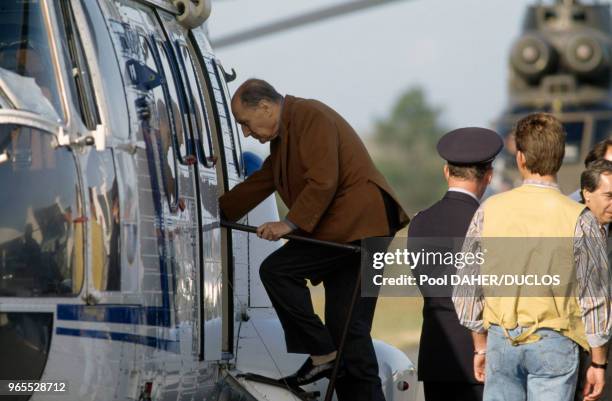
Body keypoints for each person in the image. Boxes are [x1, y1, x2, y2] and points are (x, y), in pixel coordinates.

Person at [218, 79, 408, 401]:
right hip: (348, 232)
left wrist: (288, 224)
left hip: (360, 228)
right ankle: (331, 359)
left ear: (265, 107)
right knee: (348, 334)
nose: (246, 133)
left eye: (245, 123)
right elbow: (263, 181)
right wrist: (214, 212)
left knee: (278, 271)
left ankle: (322, 356)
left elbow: (324, 180)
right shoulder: (285, 138)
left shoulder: (310, 116)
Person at [452, 113, 611, 401]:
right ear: (560, 158)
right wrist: (599, 362)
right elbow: (595, 296)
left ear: (521, 158)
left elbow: (466, 289)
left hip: (502, 337)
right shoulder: (580, 218)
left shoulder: (489, 210)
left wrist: (480, 345)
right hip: (556, 341)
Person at [408, 127, 503, 401]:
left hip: (438, 353)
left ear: (446, 172)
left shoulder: (420, 221)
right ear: (489, 175)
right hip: (482, 353)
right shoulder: (490, 222)